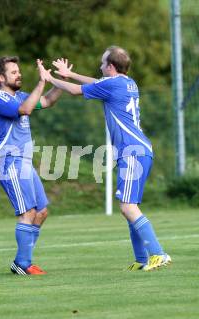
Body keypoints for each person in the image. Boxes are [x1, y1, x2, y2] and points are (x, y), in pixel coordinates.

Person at [49, 46, 171, 271]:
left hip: (132, 151)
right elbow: (96, 82)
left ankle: (158, 253)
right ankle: (142, 260)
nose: (100, 67)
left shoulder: (113, 84)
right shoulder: (127, 82)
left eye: (103, 63)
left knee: (127, 207)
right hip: (139, 150)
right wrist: (70, 74)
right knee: (130, 207)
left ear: (111, 67)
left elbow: (77, 91)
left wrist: (51, 79)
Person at [0, 56, 63, 275]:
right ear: (1, 78)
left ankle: (22, 262)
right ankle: (23, 264)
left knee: (41, 212)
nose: (19, 74)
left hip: (24, 164)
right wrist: (41, 83)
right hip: (10, 162)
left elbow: (47, 101)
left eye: (18, 71)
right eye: (13, 72)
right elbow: (25, 109)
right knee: (28, 212)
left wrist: (58, 80)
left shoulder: (21, 96)